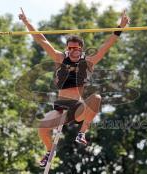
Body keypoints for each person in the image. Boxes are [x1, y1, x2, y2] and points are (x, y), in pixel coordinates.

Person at [19, 8, 130, 168]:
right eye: (69, 48)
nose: (71, 51)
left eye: (74, 48)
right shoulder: (59, 57)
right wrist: (26, 21)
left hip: (77, 109)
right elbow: (41, 39)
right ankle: (50, 151)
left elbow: (107, 45)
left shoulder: (89, 62)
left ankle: (82, 133)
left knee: (96, 98)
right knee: (42, 128)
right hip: (60, 108)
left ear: (80, 49)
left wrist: (121, 27)